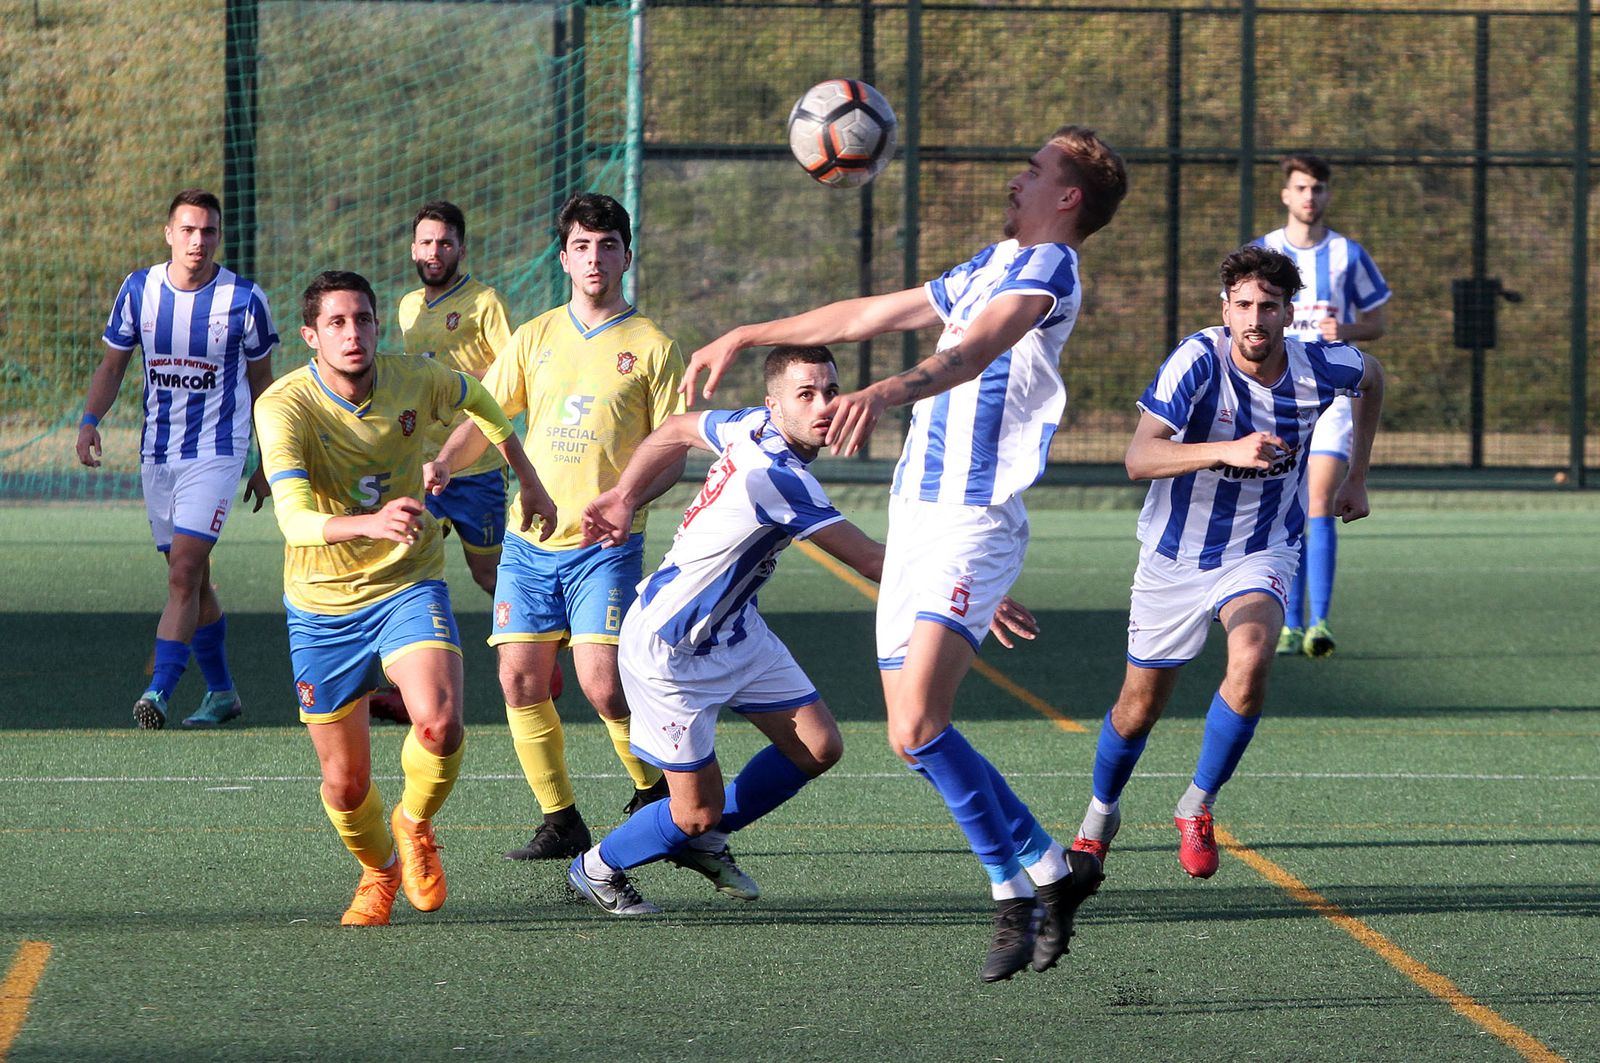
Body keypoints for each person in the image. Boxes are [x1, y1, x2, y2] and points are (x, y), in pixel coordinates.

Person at [681, 126, 1126, 982]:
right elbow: (867, 314)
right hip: (917, 518)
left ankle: (1009, 892)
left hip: (973, 518)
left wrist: (886, 389)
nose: (1018, 177)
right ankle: (1049, 867)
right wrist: (749, 331)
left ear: (1069, 197)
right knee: (908, 735)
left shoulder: (1050, 268)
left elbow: (977, 348)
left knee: (919, 717)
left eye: (1034, 170)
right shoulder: (995, 259)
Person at [567, 344, 1040, 918]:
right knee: (694, 811)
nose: (824, 406)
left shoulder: (748, 424)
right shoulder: (778, 478)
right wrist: (973, 592)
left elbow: (676, 428)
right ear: (776, 403)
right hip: (672, 647)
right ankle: (598, 867)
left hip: (736, 631)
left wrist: (625, 494)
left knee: (818, 747)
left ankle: (700, 836)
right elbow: (870, 560)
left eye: (831, 391)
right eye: (806, 395)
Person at [1068, 244, 1383, 883]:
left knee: (1254, 655)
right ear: (1226, 307)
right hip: (1175, 556)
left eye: (1268, 307)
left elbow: (1373, 376)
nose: (1255, 320)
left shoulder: (1320, 366)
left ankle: (1197, 805)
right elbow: (1139, 459)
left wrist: (1357, 476)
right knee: (1138, 707)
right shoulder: (1197, 360)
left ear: (1288, 312)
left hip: (1262, 549)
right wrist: (1227, 450)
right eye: (1243, 306)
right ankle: (1100, 817)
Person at [254, 270, 553, 926]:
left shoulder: (412, 377)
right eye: (336, 322)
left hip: (407, 583)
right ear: (311, 335)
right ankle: (378, 868)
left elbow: (484, 399)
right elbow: (294, 520)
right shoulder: (284, 404)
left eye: (362, 318)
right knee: (345, 783)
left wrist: (526, 479)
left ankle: (414, 823)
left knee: (440, 725)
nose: (352, 332)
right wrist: (369, 522)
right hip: (322, 604)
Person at [434, 192, 683, 861]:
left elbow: (674, 450)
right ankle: (561, 818)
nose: (594, 258)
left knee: (604, 683)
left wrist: (629, 499)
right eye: (581, 246)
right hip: (529, 541)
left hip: (604, 547)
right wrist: (442, 463)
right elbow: (487, 416)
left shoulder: (654, 346)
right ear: (564, 256)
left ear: (626, 255)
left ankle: (655, 788)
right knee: (519, 679)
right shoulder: (535, 335)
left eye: (607, 245)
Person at [76, 188, 278, 730]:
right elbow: (113, 366)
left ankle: (159, 690)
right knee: (192, 580)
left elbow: (265, 387)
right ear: (169, 233)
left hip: (218, 452)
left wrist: (269, 459)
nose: (198, 240)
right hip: (157, 453)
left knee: (185, 571)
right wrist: (89, 421)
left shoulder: (244, 299)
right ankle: (222, 692)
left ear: (218, 237)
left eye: (208, 231)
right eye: (187, 230)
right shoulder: (138, 290)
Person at [1257, 154, 1390, 659]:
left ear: (1327, 195)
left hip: (1333, 400)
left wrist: (1349, 331)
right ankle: (1288, 622)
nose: (1309, 196)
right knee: (1283, 505)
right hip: (1276, 397)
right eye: (1301, 188)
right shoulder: (1264, 251)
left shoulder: (1347, 255)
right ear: (1286, 195)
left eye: (1317, 188)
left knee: (1318, 501)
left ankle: (1319, 622)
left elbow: (1377, 320)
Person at [397, 200, 514, 596]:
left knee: (490, 577)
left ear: (461, 251)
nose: (434, 252)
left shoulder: (486, 303)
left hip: (475, 466)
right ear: (413, 249)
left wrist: (454, 381)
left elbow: (513, 375)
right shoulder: (408, 306)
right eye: (426, 242)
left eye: (445, 243)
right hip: (421, 466)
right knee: (407, 573)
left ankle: (541, 649)